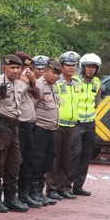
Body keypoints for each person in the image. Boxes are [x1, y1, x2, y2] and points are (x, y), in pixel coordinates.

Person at [0, 54, 33, 213]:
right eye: (12, 68)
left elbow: (24, 89)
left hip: (14, 126)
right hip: (0, 125)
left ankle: (10, 198)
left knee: (14, 163)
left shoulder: (18, 83)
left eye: (18, 68)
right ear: (4, 68)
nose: (15, 71)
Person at [46, 51, 80, 201]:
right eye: (68, 65)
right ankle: (51, 188)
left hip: (71, 124)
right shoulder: (57, 83)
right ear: (62, 66)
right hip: (58, 123)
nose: (71, 68)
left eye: (74, 65)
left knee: (67, 158)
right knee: (55, 157)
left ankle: (63, 187)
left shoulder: (77, 84)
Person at [67, 53, 103, 197]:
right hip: (77, 124)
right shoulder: (74, 81)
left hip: (90, 123)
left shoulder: (97, 83)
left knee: (86, 155)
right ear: (83, 67)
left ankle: (78, 186)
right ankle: (67, 185)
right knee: (74, 154)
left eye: (94, 67)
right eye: (88, 66)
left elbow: (96, 101)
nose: (91, 69)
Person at [30, 59, 62, 206]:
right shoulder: (39, 86)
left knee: (47, 161)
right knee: (37, 161)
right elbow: (32, 107)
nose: (56, 76)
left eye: (58, 73)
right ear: (45, 71)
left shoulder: (54, 86)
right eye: (53, 73)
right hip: (40, 129)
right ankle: (33, 191)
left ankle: (40, 191)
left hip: (52, 130)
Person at [15, 52, 41, 208]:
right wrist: (22, 83)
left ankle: (24, 194)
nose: (26, 71)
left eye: (28, 68)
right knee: (15, 163)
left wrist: (32, 82)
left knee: (28, 161)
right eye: (23, 68)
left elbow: (38, 95)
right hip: (17, 125)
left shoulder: (28, 81)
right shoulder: (12, 82)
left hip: (29, 126)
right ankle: (12, 195)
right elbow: (13, 97)